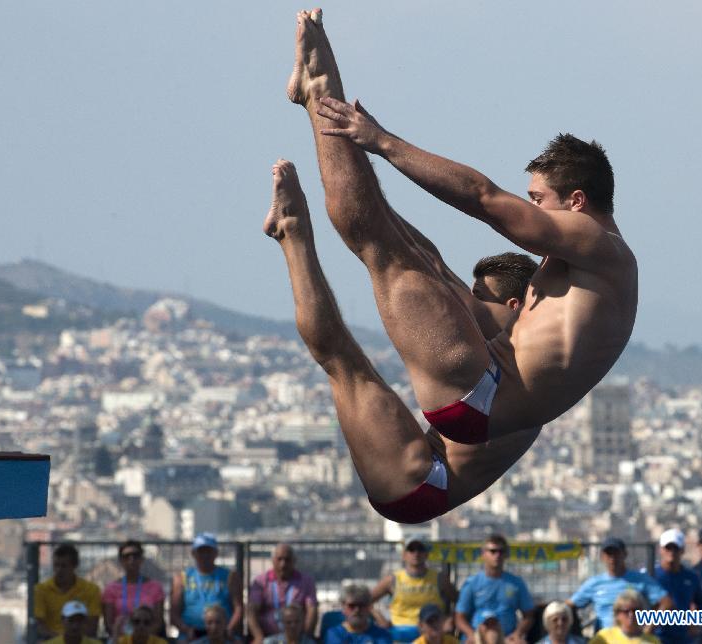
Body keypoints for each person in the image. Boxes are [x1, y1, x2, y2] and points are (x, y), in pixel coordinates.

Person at [273, 8, 636, 523]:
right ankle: (313, 111)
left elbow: (485, 199)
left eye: (539, 200)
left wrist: (381, 141)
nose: (532, 210)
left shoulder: (600, 244)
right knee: (394, 249)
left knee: (379, 248)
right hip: (476, 403)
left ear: (577, 201)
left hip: (472, 410)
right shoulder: (588, 278)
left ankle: (321, 89)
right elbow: (437, 262)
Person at [569, 537, 671, 632]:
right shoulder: (594, 583)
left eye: (616, 553)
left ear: (625, 554)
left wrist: (649, 628)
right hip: (604, 640)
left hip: (633, 638)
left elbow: (667, 603)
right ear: (602, 557)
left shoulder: (640, 580)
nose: (612, 558)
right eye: (609, 554)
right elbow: (569, 605)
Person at [370, 535, 457, 641]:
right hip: (400, 633)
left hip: (431, 632)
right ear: (404, 555)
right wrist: (380, 619)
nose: (416, 553)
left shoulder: (440, 579)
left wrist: (450, 619)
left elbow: (461, 602)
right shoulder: (393, 580)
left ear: (426, 554)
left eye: (420, 549)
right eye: (411, 549)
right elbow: (366, 601)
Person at [454, 534, 534, 644]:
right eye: (493, 551)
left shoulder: (516, 583)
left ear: (506, 555)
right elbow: (460, 617)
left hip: (506, 638)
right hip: (478, 637)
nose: (497, 555)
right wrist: (470, 634)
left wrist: (517, 634)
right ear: (483, 554)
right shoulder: (472, 583)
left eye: (501, 551)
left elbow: (529, 615)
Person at [172, 533, 243, 642]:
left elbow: (238, 608)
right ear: (193, 553)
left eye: (208, 551)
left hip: (222, 631)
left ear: (216, 553)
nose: (205, 555)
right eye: (201, 551)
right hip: (192, 633)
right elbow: (174, 613)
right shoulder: (182, 578)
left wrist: (229, 628)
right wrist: (186, 630)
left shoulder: (229, 576)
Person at [248, 543, 318, 644]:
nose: (283, 564)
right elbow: (252, 611)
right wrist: (258, 636)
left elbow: (312, 610)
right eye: (279, 559)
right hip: (267, 637)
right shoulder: (261, 581)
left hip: (296, 637)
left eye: (287, 559)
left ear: (294, 561)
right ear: (272, 560)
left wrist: (305, 636)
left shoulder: (306, 581)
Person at [34, 543, 101, 640]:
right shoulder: (41, 590)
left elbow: (92, 626)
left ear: (74, 566)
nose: (59, 570)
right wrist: (62, 640)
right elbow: (39, 626)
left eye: (64, 566)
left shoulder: (91, 590)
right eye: (56, 565)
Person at [103, 540, 166, 641]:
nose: (131, 559)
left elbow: (158, 622)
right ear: (121, 560)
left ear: (142, 559)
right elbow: (109, 624)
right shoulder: (111, 589)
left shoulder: (155, 587)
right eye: (126, 556)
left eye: (135, 555)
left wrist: (140, 636)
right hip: (120, 639)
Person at [652, 529, 702, 644]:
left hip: (684, 638)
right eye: (668, 548)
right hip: (656, 637)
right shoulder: (651, 576)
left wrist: (697, 623)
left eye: (675, 548)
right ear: (660, 550)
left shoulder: (691, 577)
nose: (671, 552)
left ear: (682, 551)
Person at [325, 584, 393, 644]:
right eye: (352, 606)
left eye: (361, 605)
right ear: (343, 607)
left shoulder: (382, 635)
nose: (357, 610)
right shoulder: (334, 634)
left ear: (369, 607)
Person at [589, 589, 659, 644]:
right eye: (626, 611)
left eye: (635, 610)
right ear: (617, 614)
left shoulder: (652, 641)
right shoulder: (604, 637)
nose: (631, 615)